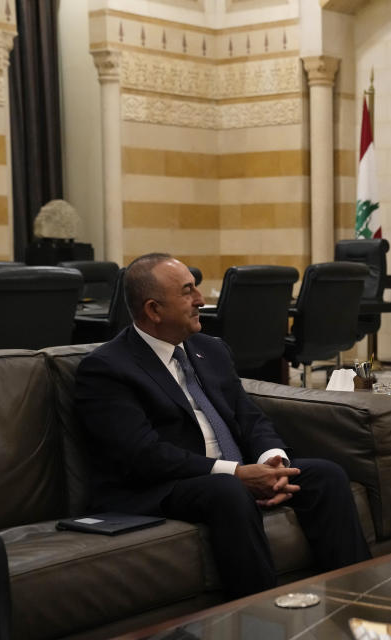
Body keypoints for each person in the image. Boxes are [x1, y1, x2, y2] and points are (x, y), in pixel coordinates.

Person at [75, 253, 371, 598]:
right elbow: (143, 454)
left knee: (325, 475)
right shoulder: (107, 368)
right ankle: (261, 616)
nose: (201, 300)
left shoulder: (209, 349)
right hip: (159, 486)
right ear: (154, 310)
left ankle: (357, 601)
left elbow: (249, 416)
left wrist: (272, 462)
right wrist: (235, 474)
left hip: (227, 475)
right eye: (188, 292)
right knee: (227, 491)